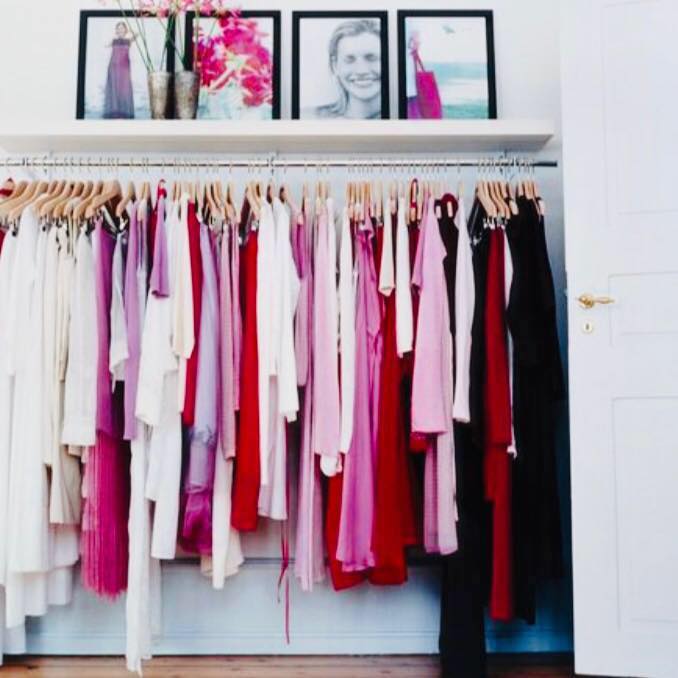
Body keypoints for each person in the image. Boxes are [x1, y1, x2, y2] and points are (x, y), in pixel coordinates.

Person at [311, 19, 383, 120]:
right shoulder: (309, 117)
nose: (361, 70)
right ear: (335, 66)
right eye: (349, 60)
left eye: (371, 58)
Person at [104, 21, 136, 119]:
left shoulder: (128, 41)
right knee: (115, 89)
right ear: (116, 31)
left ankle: (123, 111)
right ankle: (115, 111)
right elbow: (105, 45)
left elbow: (136, 34)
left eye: (122, 28)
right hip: (113, 68)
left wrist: (129, 30)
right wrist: (113, 37)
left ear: (125, 30)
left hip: (125, 69)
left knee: (124, 90)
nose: (120, 30)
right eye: (118, 28)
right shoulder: (114, 41)